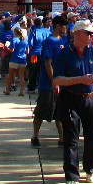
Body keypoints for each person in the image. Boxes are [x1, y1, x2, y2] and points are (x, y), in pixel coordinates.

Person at [52, 19, 93, 184]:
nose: (91, 37)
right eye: (89, 34)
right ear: (78, 34)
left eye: (92, 34)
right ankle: (71, 177)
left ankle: (90, 169)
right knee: (71, 138)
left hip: (91, 98)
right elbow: (57, 79)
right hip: (71, 98)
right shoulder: (64, 53)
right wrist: (80, 79)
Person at [31, 16, 69, 148]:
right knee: (42, 111)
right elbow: (48, 63)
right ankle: (35, 136)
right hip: (47, 84)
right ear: (58, 26)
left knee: (60, 112)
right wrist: (54, 82)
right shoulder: (49, 41)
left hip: (63, 83)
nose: (66, 29)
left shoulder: (64, 40)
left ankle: (62, 138)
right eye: (64, 26)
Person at [4, 27, 28, 96]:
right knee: (21, 76)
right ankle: (22, 91)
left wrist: (7, 48)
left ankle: (8, 90)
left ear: (15, 32)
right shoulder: (25, 41)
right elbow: (27, 51)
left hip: (14, 59)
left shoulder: (14, 39)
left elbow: (11, 50)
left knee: (11, 76)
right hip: (23, 60)